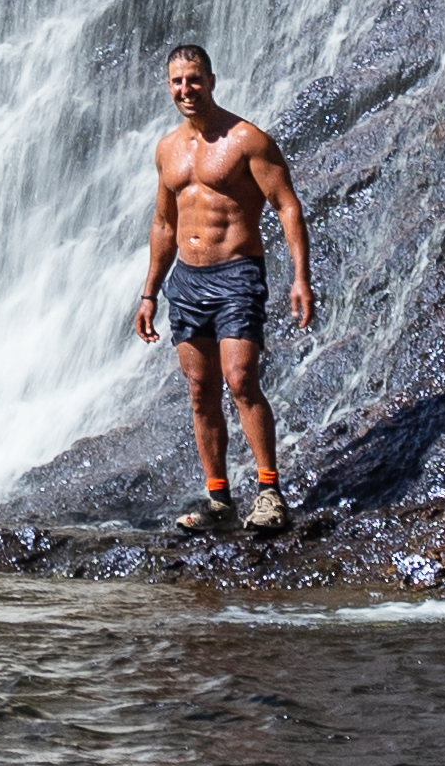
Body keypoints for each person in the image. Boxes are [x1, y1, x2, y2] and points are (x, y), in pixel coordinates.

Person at [128, 38, 312, 532]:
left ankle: (270, 493)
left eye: (194, 79)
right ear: (170, 87)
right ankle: (219, 501)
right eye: (177, 82)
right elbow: (164, 225)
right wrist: (149, 293)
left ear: (211, 81)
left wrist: (300, 277)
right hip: (185, 281)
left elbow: (287, 205)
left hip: (237, 275)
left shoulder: (248, 140)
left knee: (241, 380)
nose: (185, 89)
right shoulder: (167, 149)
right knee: (199, 389)